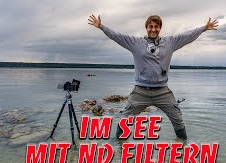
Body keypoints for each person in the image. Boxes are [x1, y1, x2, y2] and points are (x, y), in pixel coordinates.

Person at [88, 14, 218, 140]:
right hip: (140, 91)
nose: (153, 29)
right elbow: (117, 37)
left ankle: (182, 145)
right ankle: (118, 147)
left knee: (177, 117)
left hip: (162, 92)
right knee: (125, 119)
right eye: (150, 26)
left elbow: (187, 36)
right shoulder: (135, 43)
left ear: (160, 28)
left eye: (156, 27)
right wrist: (101, 27)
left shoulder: (170, 43)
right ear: (146, 28)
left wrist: (203, 28)